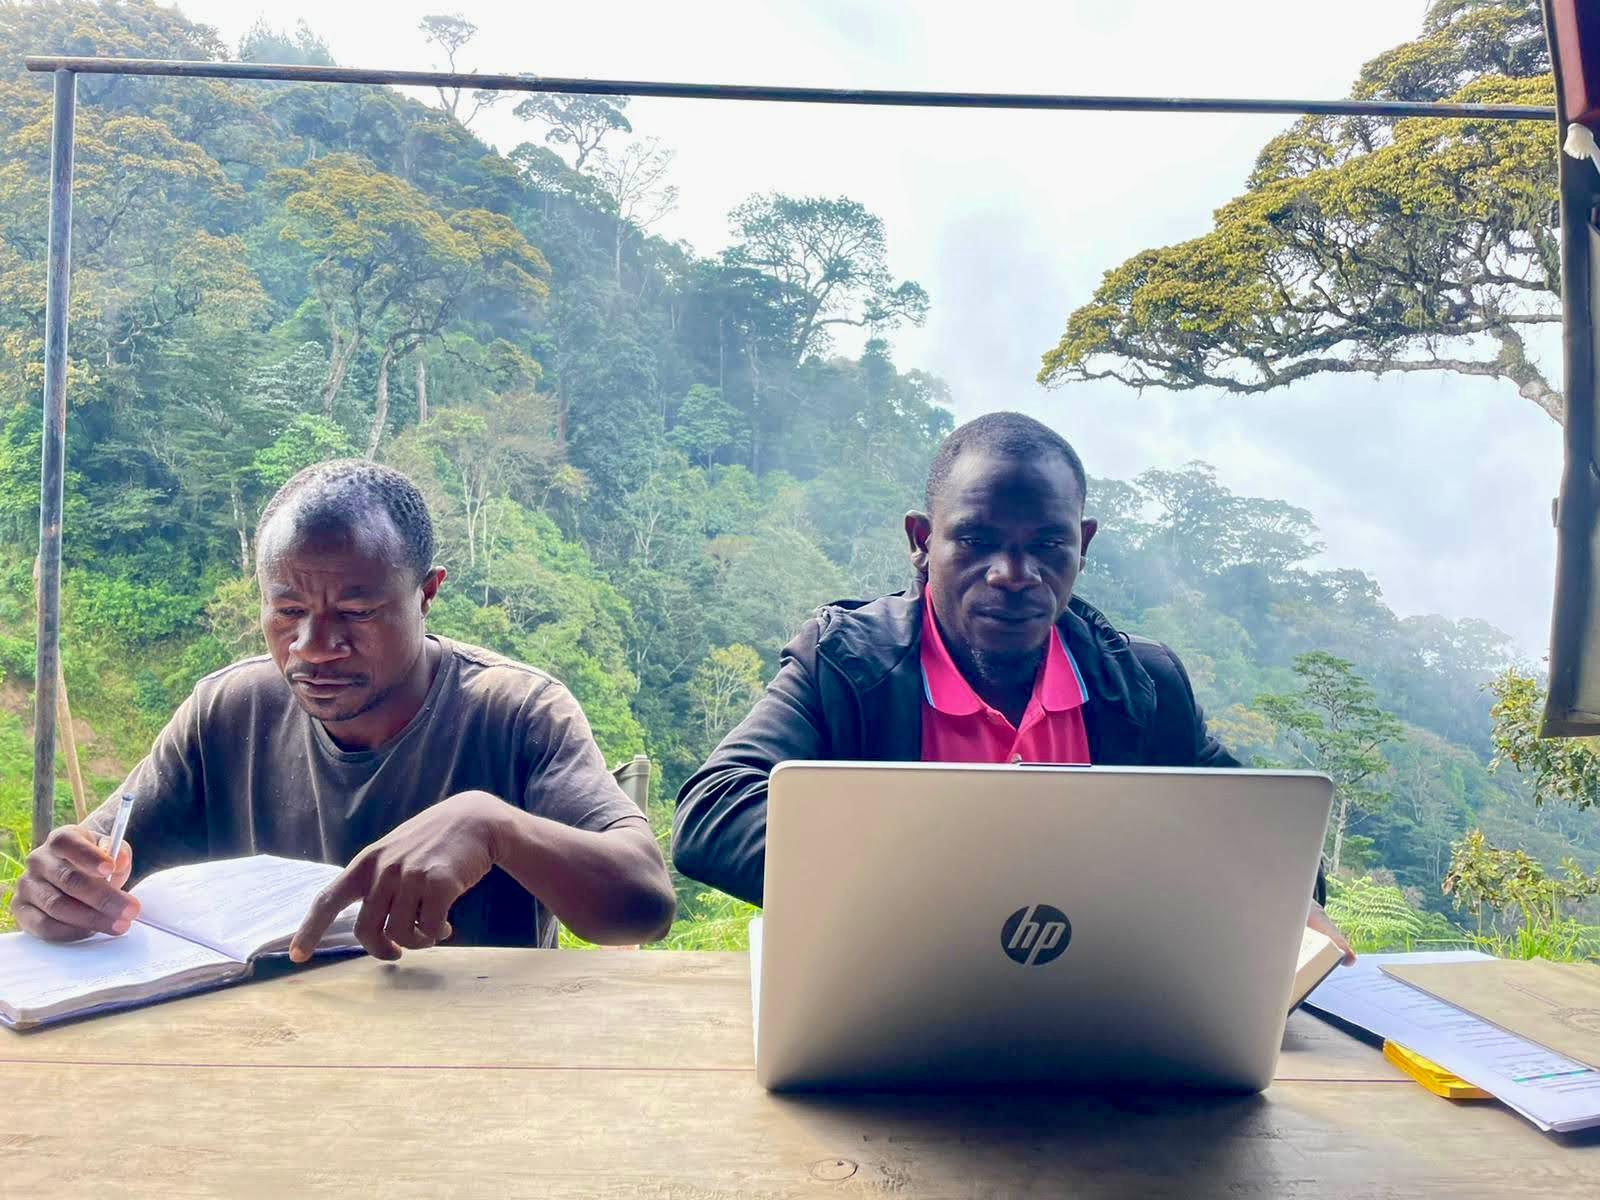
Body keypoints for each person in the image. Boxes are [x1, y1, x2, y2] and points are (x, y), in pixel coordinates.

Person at [673, 412, 1352, 959]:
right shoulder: (848, 665)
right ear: (920, 541)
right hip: (896, 1012)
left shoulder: (1141, 687)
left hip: (1107, 1024)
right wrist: (978, 874)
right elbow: (712, 815)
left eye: (1049, 546)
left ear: (1082, 544)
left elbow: (1273, 846)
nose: (1013, 572)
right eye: (976, 540)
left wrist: (1278, 897)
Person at [13, 460, 676, 958]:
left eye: (355, 613)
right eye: (289, 611)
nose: (315, 648)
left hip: (472, 1074)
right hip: (259, 1064)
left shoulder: (518, 713)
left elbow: (644, 903)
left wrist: (493, 826)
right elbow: (90, 868)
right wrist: (61, 888)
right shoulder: (226, 712)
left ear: (427, 594)